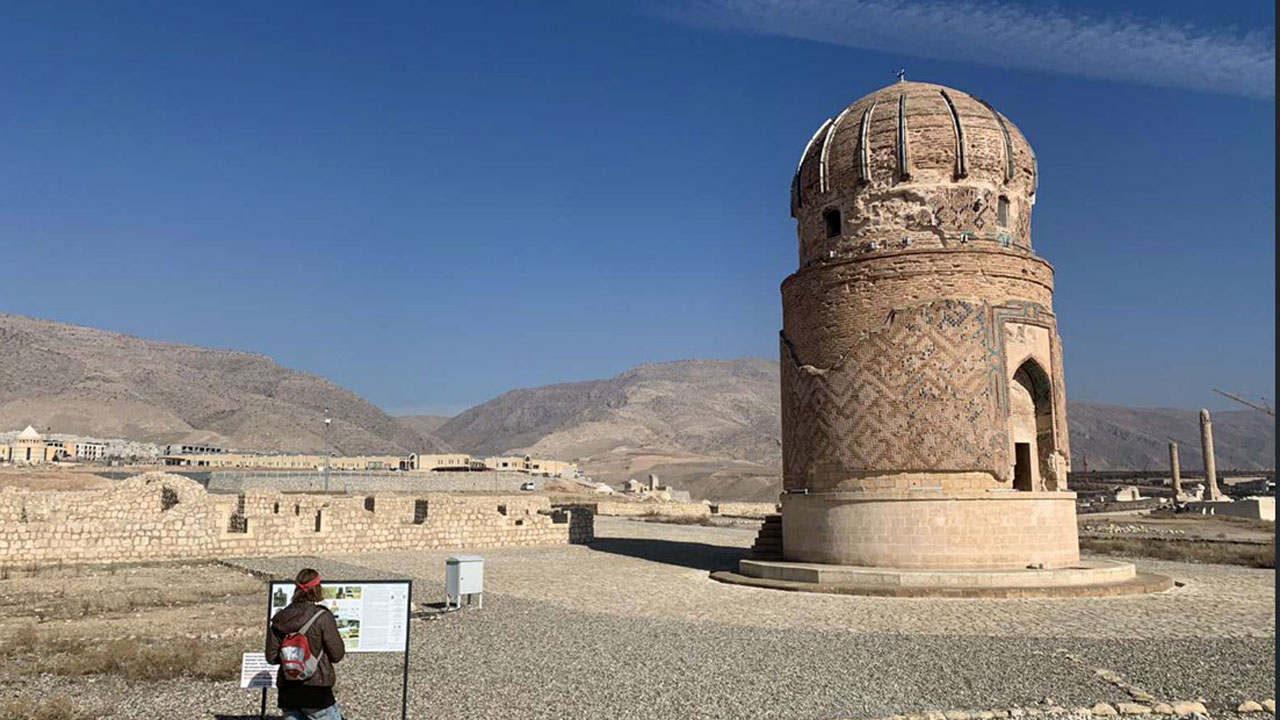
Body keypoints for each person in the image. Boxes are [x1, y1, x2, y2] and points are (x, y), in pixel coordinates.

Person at [265, 568, 347, 720]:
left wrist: (291, 658)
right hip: (317, 689)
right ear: (318, 588)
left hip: (287, 690)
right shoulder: (323, 616)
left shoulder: (279, 618)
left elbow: (271, 657)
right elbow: (337, 655)